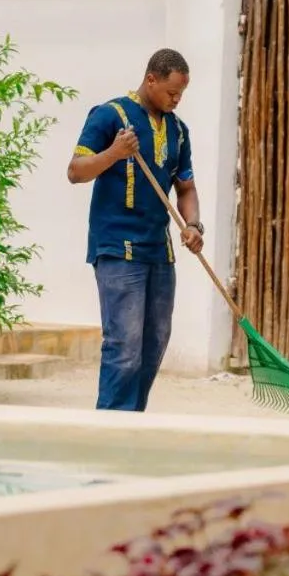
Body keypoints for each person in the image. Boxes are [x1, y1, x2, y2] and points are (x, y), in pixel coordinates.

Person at [66, 48, 204, 412]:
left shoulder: (178, 130)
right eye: (172, 92)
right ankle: (110, 427)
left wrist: (193, 224)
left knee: (154, 343)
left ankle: (133, 421)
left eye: (181, 95)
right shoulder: (110, 116)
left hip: (159, 251)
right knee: (124, 346)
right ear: (151, 80)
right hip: (117, 248)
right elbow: (76, 171)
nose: (176, 100)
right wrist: (114, 152)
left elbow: (186, 188)